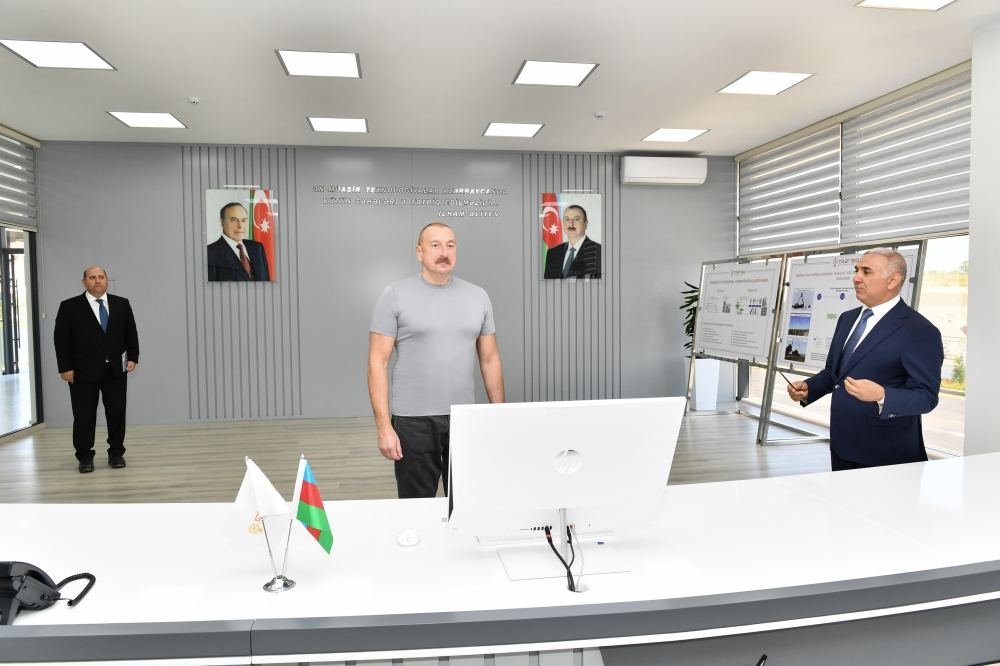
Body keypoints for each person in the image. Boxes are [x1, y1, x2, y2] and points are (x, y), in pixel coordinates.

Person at [368, 222, 505, 498]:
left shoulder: (478, 296)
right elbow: (377, 363)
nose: (444, 252)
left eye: (450, 245)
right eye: (435, 245)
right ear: (419, 252)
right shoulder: (394, 295)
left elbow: (490, 360)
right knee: (416, 506)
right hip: (413, 422)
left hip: (464, 419)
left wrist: (499, 415)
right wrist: (384, 427)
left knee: (466, 503)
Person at [786, 249, 943, 471]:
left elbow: (926, 397)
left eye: (866, 272)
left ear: (893, 280)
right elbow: (835, 372)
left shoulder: (919, 330)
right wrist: (809, 388)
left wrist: (882, 395)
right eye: (857, 270)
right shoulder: (847, 319)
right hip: (842, 446)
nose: (856, 278)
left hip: (887, 456)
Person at [53, 266, 140, 473]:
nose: (97, 281)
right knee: (84, 415)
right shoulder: (69, 306)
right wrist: (65, 368)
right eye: (92, 277)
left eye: (101, 277)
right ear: (84, 282)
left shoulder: (122, 304)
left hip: (115, 370)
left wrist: (133, 357)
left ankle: (116, 453)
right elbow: (61, 340)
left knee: (117, 413)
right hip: (82, 372)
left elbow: (131, 332)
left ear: (107, 280)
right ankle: (85, 457)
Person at [207, 202, 270, 281]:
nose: (240, 226)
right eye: (234, 220)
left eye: (244, 220)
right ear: (222, 222)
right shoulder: (209, 253)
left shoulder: (257, 247)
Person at [544, 204, 602, 279]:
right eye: (567, 219)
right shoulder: (552, 253)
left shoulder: (600, 252)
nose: (571, 224)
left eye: (576, 219)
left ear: (585, 223)